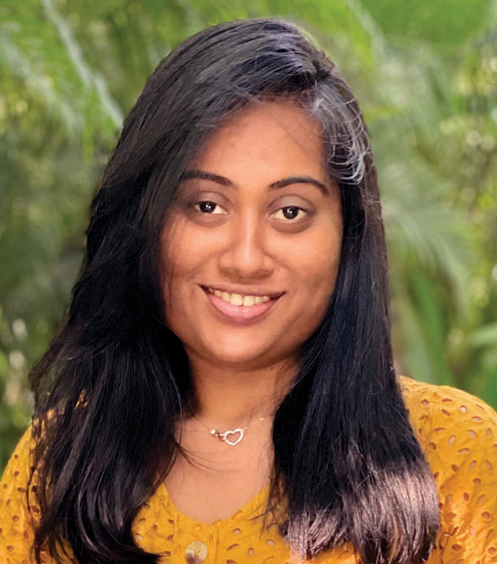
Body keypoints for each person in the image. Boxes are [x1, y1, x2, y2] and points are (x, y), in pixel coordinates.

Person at [1, 17, 496, 564]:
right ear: (144, 224)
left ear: (347, 234)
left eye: (290, 212)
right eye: (206, 205)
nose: (245, 258)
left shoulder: (456, 456)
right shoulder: (60, 462)